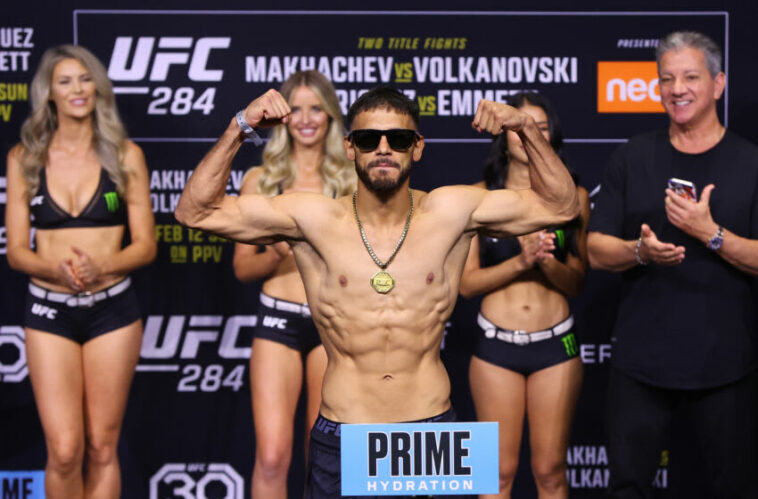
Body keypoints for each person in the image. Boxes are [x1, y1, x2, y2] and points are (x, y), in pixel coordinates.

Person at [175, 86, 579, 498]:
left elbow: (562, 206)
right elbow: (194, 212)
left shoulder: (453, 212)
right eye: (369, 139)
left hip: (430, 432)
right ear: (350, 148)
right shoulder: (313, 218)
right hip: (346, 429)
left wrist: (526, 127)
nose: (383, 149)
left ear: (417, 148)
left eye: (398, 139)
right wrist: (239, 127)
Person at [587, 31, 758, 498]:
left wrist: (712, 234)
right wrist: (640, 252)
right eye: (666, 79)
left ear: (718, 84)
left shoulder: (750, 163)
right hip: (641, 367)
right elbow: (595, 249)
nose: (676, 88)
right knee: (627, 487)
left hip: (727, 368)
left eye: (690, 77)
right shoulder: (632, 156)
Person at [4, 45, 155, 498]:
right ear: (48, 92)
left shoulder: (126, 155)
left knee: (101, 445)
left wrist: (102, 264)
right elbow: (15, 251)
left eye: (85, 79)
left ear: (98, 88)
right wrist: (54, 268)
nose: (77, 90)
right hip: (49, 310)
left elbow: (146, 245)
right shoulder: (23, 158)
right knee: (65, 449)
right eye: (65, 81)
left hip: (113, 309)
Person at [231, 70, 356, 499]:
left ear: (330, 116)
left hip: (332, 326)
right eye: (296, 108)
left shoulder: (351, 182)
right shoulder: (260, 182)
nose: (305, 119)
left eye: (316, 108)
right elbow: (243, 269)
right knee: (271, 456)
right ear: (282, 116)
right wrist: (276, 253)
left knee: (321, 453)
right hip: (277, 321)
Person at [459, 92, 589, 499]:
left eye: (541, 126)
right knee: (497, 473)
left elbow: (579, 282)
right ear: (504, 133)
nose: (527, 132)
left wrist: (547, 263)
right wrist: (520, 261)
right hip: (496, 345)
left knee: (550, 470)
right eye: (519, 123)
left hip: (556, 344)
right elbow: (466, 285)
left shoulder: (575, 199)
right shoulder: (478, 198)